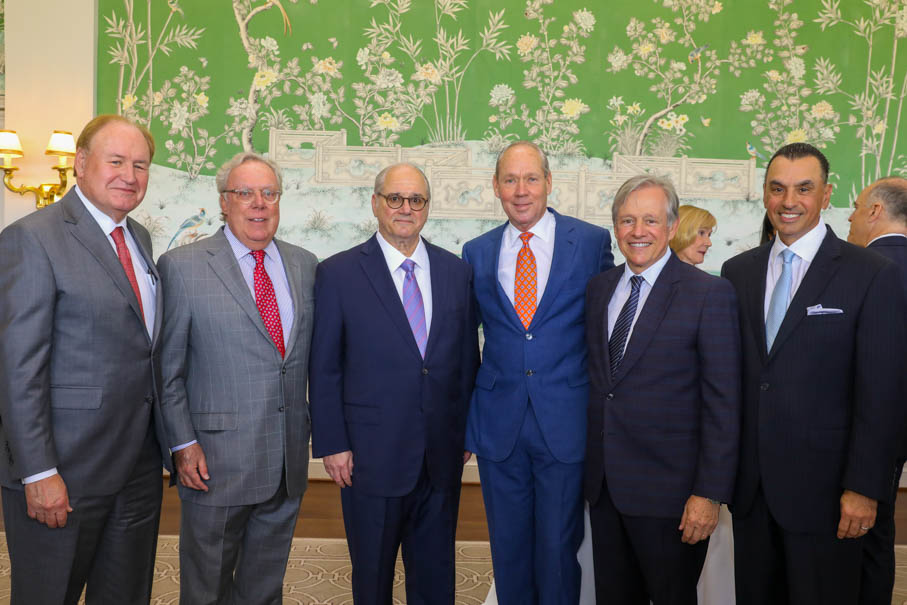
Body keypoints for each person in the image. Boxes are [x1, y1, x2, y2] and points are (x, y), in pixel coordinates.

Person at [720, 143, 907, 605]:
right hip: (752, 495)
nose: (789, 201)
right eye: (778, 188)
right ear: (764, 195)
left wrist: (864, 488)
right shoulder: (737, 272)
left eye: (804, 189)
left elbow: (882, 393)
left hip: (828, 498)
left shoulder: (870, 272)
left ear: (826, 195)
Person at [0, 114, 168, 604]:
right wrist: (38, 471)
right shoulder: (33, 238)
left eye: (140, 165)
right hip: (64, 472)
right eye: (115, 161)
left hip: (136, 467)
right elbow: (18, 368)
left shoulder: (139, 237)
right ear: (80, 164)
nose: (129, 176)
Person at [309, 162, 479, 605]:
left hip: (441, 457)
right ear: (375, 204)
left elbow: (466, 360)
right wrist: (332, 443)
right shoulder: (338, 273)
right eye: (395, 198)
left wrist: (466, 432)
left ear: (427, 208)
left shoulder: (455, 273)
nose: (406, 208)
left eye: (416, 200)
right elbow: (324, 365)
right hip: (369, 457)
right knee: (373, 579)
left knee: (436, 578)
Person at [157, 151, 317, 604]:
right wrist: (183, 445)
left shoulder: (305, 266)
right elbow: (168, 371)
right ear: (224, 201)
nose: (259, 203)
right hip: (215, 462)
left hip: (286, 460)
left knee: (264, 590)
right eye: (245, 193)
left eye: (269, 193)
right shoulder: (182, 266)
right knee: (206, 588)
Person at [462, 141, 613, 605]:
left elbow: (606, 330)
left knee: (557, 550)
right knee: (508, 551)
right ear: (496, 187)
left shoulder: (589, 243)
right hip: (498, 425)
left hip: (565, 420)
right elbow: (465, 344)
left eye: (531, 179)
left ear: (549, 182)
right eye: (510, 180)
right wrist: (465, 427)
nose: (521, 190)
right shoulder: (476, 251)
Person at [584, 175, 741, 604]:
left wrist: (708, 493)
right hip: (605, 491)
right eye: (627, 220)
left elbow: (723, 403)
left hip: (673, 497)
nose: (638, 232)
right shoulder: (599, 290)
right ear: (615, 226)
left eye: (650, 220)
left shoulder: (709, 295)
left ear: (671, 227)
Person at [847, 177, 907, 605]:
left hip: (858, 438)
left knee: (857, 549)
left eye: (855, 205)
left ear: (874, 212)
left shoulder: (859, 272)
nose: (849, 216)